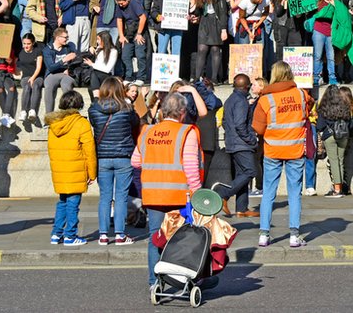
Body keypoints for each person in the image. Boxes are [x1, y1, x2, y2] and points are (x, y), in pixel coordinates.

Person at [134, 92, 203, 295]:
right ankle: (180, 280)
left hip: (153, 195)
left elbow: (135, 161)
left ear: (163, 111)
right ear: (182, 112)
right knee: (181, 239)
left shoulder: (147, 131)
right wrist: (197, 192)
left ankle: (154, 282)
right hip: (178, 196)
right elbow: (191, 167)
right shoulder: (186, 132)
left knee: (155, 237)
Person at [252, 61, 312, 248]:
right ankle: (294, 235)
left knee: (269, 192)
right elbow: (307, 113)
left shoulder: (265, 99)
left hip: (273, 149)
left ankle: (264, 234)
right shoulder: (302, 95)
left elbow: (258, 128)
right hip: (295, 149)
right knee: (295, 193)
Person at [89, 77, 139, 246]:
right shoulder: (127, 108)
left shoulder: (93, 109)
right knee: (121, 197)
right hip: (123, 156)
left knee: (105, 197)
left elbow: (95, 124)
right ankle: (120, 235)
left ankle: (103, 235)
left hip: (102, 157)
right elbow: (136, 122)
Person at [46, 90, 97, 247]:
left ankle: (56, 233)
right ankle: (70, 235)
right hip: (76, 169)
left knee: (62, 202)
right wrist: (92, 173)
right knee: (73, 203)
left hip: (60, 169)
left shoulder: (53, 124)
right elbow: (89, 150)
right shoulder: (81, 123)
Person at [214, 74, 259, 217]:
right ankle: (224, 193)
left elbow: (226, 122)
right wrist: (251, 139)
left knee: (242, 174)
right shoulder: (241, 101)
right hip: (242, 143)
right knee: (250, 172)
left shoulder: (229, 100)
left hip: (233, 141)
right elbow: (240, 125)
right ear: (247, 87)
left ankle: (242, 208)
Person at [315, 85, 353, 198]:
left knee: (333, 161)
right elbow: (350, 123)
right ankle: (341, 187)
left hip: (330, 136)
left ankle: (337, 189)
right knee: (340, 161)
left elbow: (320, 125)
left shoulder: (324, 107)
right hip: (343, 136)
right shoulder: (345, 106)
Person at [42, 28, 79, 116]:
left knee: (66, 86)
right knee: (49, 86)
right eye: (65, 37)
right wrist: (64, 60)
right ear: (57, 38)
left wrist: (69, 69)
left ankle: (69, 114)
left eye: (67, 37)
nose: (67, 39)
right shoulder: (47, 50)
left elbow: (76, 62)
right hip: (52, 74)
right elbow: (51, 67)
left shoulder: (68, 48)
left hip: (66, 74)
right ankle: (49, 116)